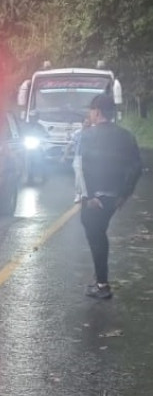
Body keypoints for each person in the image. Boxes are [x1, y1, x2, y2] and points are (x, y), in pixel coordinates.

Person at [79, 93, 143, 299]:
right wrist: (124, 195)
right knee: (100, 235)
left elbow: (81, 168)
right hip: (114, 198)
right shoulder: (126, 135)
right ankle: (100, 278)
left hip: (94, 198)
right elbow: (136, 168)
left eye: (91, 110)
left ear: (97, 112)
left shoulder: (87, 136)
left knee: (96, 237)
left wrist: (88, 196)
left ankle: (102, 284)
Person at [69, 116, 91, 202]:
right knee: (79, 175)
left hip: (89, 158)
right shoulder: (77, 133)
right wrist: (64, 156)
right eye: (85, 122)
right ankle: (79, 194)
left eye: (88, 123)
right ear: (82, 124)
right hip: (78, 157)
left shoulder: (93, 133)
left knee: (85, 176)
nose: (87, 124)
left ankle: (83, 194)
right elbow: (71, 144)